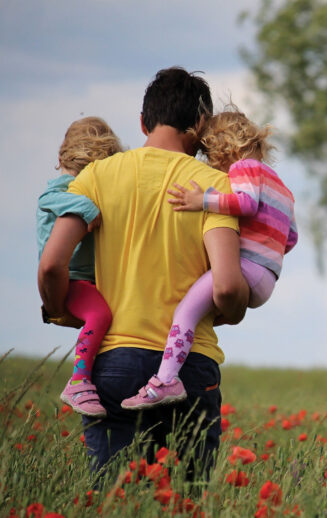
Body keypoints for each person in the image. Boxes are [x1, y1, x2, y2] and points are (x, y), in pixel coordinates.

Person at [38, 67, 249, 477]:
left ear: (142, 121)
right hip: (189, 367)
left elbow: (51, 263)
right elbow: (225, 286)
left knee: (116, 497)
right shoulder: (214, 187)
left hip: (113, 362)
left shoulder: (96, 177)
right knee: (186, 501)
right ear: (201, 125)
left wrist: (59, 308)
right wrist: (235, 308)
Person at [121, 107, 298, 410]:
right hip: (268, 276)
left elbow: (245, 203)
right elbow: (291, 238)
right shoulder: (282, 187)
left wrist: (201, 200)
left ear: (224, 148)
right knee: (202, 310)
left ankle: (165, 380)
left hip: (247, 268)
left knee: (185, 312)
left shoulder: (244, 169)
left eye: (210, 154)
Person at [37, 117, 123, 417]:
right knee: (100, 314)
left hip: (86, 278)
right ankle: (79, 380)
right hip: (71, 278)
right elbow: (48, 198)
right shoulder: (64, 188)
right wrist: (87, 208)